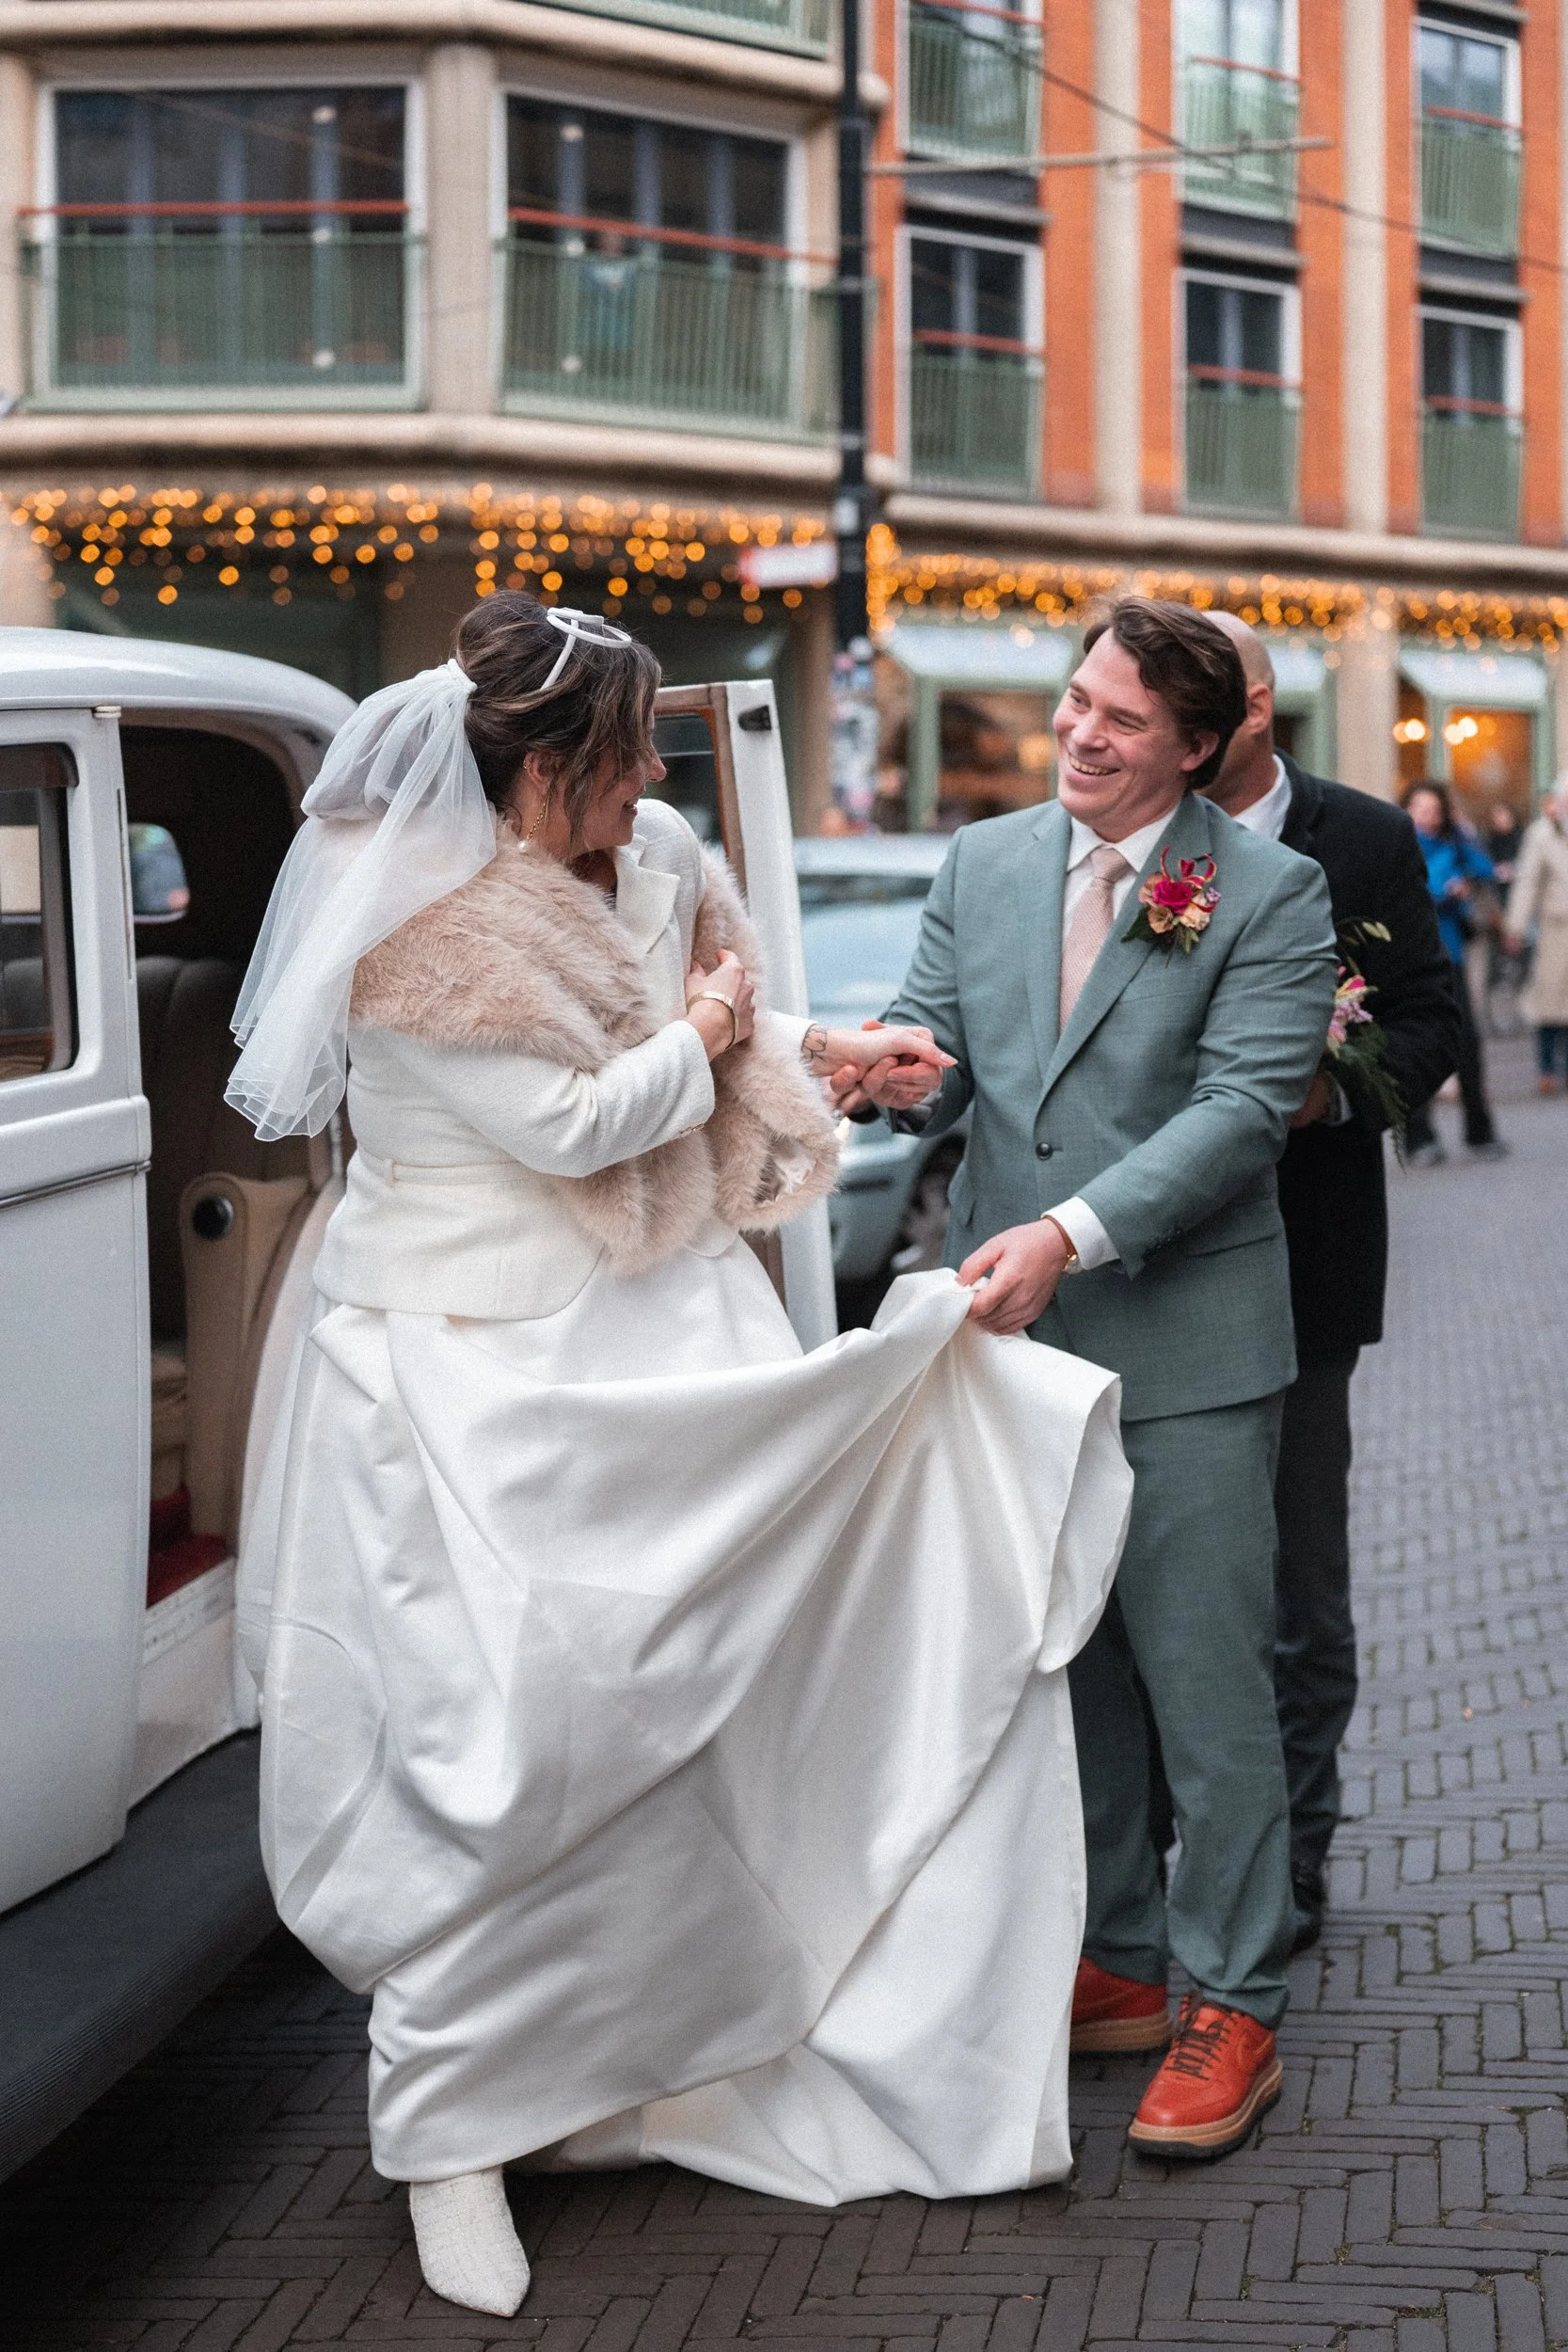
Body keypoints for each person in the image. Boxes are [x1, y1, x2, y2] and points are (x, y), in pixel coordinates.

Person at [229, 596, 1135, 2317]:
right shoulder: (417, 937)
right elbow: (578, 1120)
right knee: (493, 1748)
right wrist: (717, 1038)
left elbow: (709, 999)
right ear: (543, 765)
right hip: (478, 1368)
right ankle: (443, 2135)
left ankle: (610, 2065)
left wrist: (815, 1045)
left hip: (664, 1330)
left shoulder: (641, 850)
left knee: (692, 1723)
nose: (656, 775)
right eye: (628, 748)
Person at [847, 597, 1338, 2161]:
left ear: (1196, 747)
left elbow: (1246, 1107)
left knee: (1205, 1682)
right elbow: (943, 1037)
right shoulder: (987, 861)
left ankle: (1231, 2003)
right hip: (1023, 1349)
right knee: (1074, 1672)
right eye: (1073, 704)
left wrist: (1066, 1230)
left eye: (1118, 721)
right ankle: (1120, 1960)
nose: (1076, 733)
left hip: (1187, 1346)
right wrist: (892, 1059)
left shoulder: (1254, 886)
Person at [1199, 613, 1459, 1952]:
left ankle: (1295, 1859)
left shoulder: (1357, 833)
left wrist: (1327, 1093)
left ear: (1250, 707)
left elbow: (1431, 1019)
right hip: (1147, 1269)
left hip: (1305, 1263)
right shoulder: (1129, 833)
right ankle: (1156, 1860)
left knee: (1300, 1582)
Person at [1401, 780, 1506, 1165]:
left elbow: (1485, 868)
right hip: (1412, 961)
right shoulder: (1397, 846)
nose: (1427, 816)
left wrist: (1461, 830)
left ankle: (1479, 1132)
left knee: (1468, 1044)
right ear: (1406, 810)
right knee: (1418, 1046)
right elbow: (1407, 894)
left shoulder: (1452, 843)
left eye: (1435, 810)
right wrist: (1446, 891)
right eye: (1420, 808)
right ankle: (1418, 1137)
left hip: (1452, 957)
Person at [1504, 784, 1568, 1094]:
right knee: (1549, 1001)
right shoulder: (1540, 834)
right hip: (1556, 928)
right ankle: (1546, 1069)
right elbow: (1527, 882)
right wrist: (1516, 926)